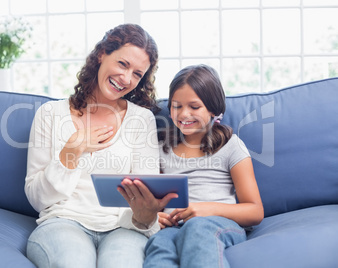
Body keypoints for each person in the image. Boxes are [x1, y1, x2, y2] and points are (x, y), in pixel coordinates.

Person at [25, 24, 176, 268]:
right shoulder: (50, 114)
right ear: (102, 54)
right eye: (123, 64)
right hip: (63, 222)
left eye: (137, 74)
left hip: (125, 227)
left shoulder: (141, 119)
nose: (126, 79)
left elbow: (143, 204)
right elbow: (38, 199)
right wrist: (70, 151)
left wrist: (147, 213)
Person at [144, 64, 264, 268]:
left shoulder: (231, 146)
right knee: (159, 242)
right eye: (176, 106)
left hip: (217, 224)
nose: (183, 114)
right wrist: (157, 215)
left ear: (213, 109)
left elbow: (255, 212)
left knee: (197, 228)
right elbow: (154, 197)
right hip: (175, 227)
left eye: (194, 106)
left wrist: (207, 209)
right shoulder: (161, 147)